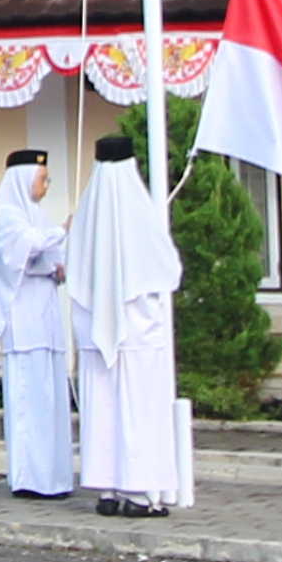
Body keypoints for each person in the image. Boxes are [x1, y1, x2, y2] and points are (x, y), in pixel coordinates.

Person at [69, 134, 185, 519]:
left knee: (102, 411)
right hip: (137, 335)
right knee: (139, 413)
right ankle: (138, 494)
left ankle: (106, 489)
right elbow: (167, 269)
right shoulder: (138, 208)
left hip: (94, 336)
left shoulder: (87, 210)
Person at [0, 149, 73, 499]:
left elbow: (49, 256)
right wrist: (61, 232)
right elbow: (24, 251)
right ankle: (28, 477)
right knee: (28, 401)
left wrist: (60, 266)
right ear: (23, 180)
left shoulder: (36, 214)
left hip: (46, 317)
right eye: (42, 179)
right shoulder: (7, 214)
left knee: (51, 401)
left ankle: (54, 477)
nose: (46, 186)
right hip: (23, 324)